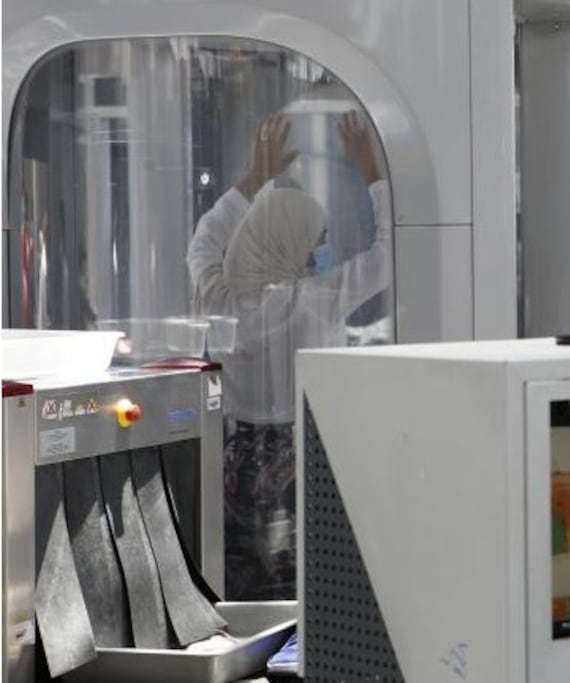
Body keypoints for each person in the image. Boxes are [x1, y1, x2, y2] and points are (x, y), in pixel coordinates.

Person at [187, 111, 390, 600]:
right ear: (291, 243)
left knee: (245, 581)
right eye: (316, 240)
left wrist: (252, 184)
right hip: (300, 462)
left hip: (238, 460)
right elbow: (389, 254)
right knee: (303, 588)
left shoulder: (220, 301)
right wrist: (373, 174)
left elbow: (205, 242)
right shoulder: (312, 301)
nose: (323, 250)